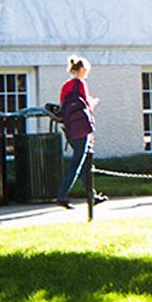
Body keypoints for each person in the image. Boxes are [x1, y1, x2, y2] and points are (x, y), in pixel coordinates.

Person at [54, 56, 106, 207]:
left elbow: (63, 106)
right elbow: (86, 107)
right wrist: (93, 102)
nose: (87, 74)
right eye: (87, 71)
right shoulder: (81, 83)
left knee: (84, 161)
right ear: (82, 70)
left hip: (69, 128)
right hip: (81, 128)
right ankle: (62, 196)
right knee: (77, 163)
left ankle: (92, 195)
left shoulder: (66, 86)